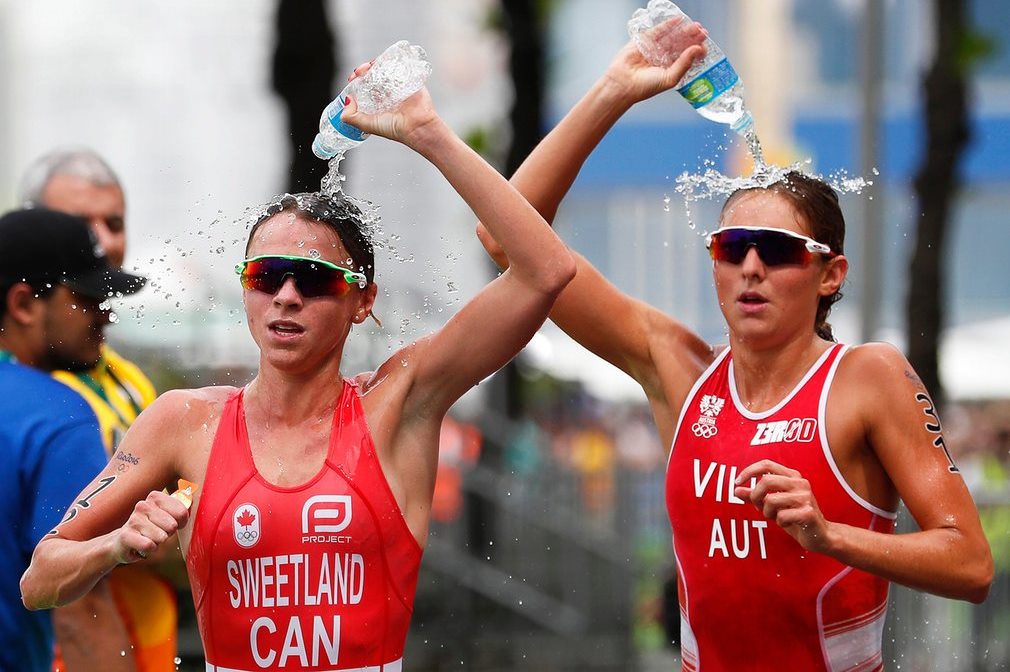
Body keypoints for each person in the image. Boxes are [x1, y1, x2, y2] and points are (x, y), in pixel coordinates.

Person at [21, 60, 576, 672]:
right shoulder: (184, 422)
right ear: (245, 290)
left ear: (362, 300)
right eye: (265, 277)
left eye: (313, 279)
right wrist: (115, 546)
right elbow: (40, 580)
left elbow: (544, 272)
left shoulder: (398, 404)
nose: (286, 296)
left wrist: (427, 133)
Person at [474, 25, 993, 669]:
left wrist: (831, 537)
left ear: (830, 274)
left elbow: (971, 564)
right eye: (731, 247)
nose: (751, 267)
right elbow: (506, 236)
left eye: (777, 251)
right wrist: (613, 91)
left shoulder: (867, 379)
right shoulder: (680, 372)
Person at [21, 148, 176, 671]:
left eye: (113, 222)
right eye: (79, 224)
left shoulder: (128, 379)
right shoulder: (39, 401)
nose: (103, 241)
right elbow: (76, 585)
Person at [0, 208, 145, 671]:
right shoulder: (55, 415)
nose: (106, 315)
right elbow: (82, 612)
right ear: (24, 304)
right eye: (86, 298)